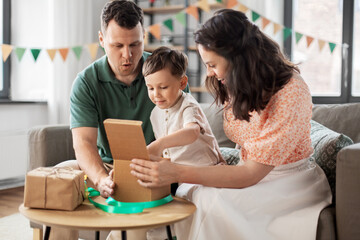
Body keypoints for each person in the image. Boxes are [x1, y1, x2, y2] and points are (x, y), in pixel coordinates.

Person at [130, 9, 332, 240]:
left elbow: (250, 173)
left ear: (237, 57)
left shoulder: (291, 92)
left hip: (290, 183)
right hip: (251, 172)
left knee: (208, 199)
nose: (210, 73)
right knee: (193, 192)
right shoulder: (240, 82)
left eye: (212, 64)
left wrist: (175, 172)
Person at [55, 1, 187, 239]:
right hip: (107, 169)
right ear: (102, 40)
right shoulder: (86, 82)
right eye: (118, 45)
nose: (128, 55)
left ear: (144, 37)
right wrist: (101, 179)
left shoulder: (162, 71)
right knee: (59, 176)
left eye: (135, 44)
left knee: (130, 214)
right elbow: (83, 142)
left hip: (151, 169)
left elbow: (185, 125)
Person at [143, 46, 224, 166]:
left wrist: (160, 143)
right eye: (150, 88)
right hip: (180, 173)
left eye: (163, 87)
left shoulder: (188, 105)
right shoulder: (155, 113)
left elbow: (192, 132)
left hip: (205, 168)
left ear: (182, 83)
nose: (156, 94)